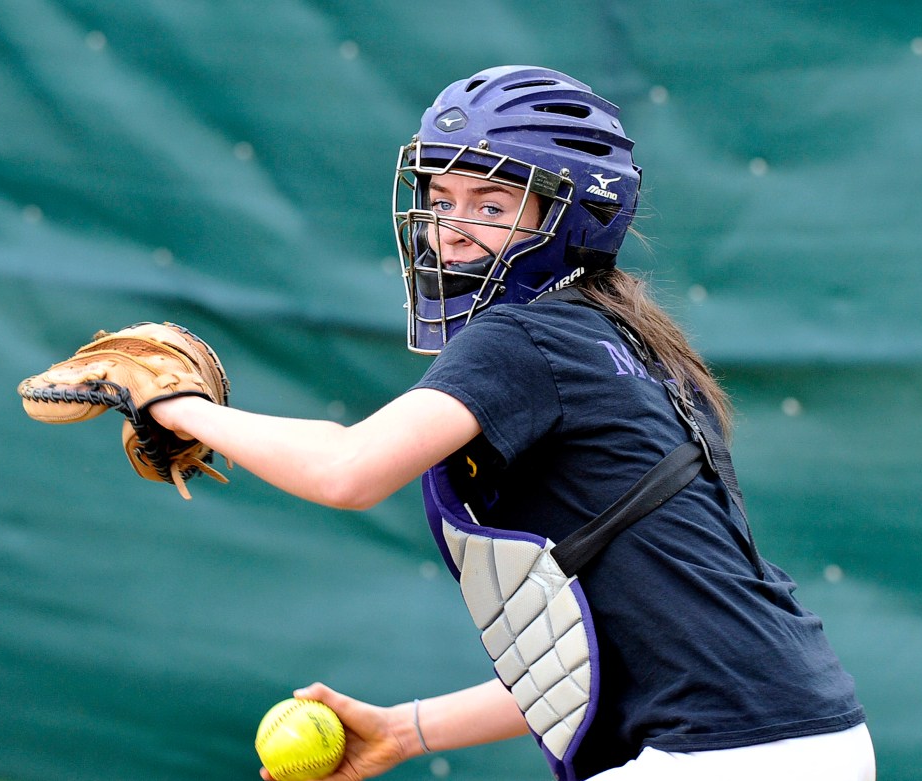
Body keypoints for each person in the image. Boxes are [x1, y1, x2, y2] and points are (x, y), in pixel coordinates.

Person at [150, 65, 875, 781]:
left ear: (572, 221)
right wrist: (406, 730)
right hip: (800, 736)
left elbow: (348, 469)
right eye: (441, 197)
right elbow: (599, 653)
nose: (451, 231)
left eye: (492, 205)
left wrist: (174, 406)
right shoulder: (634, 346)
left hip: (725, 751)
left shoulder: (526, 339)